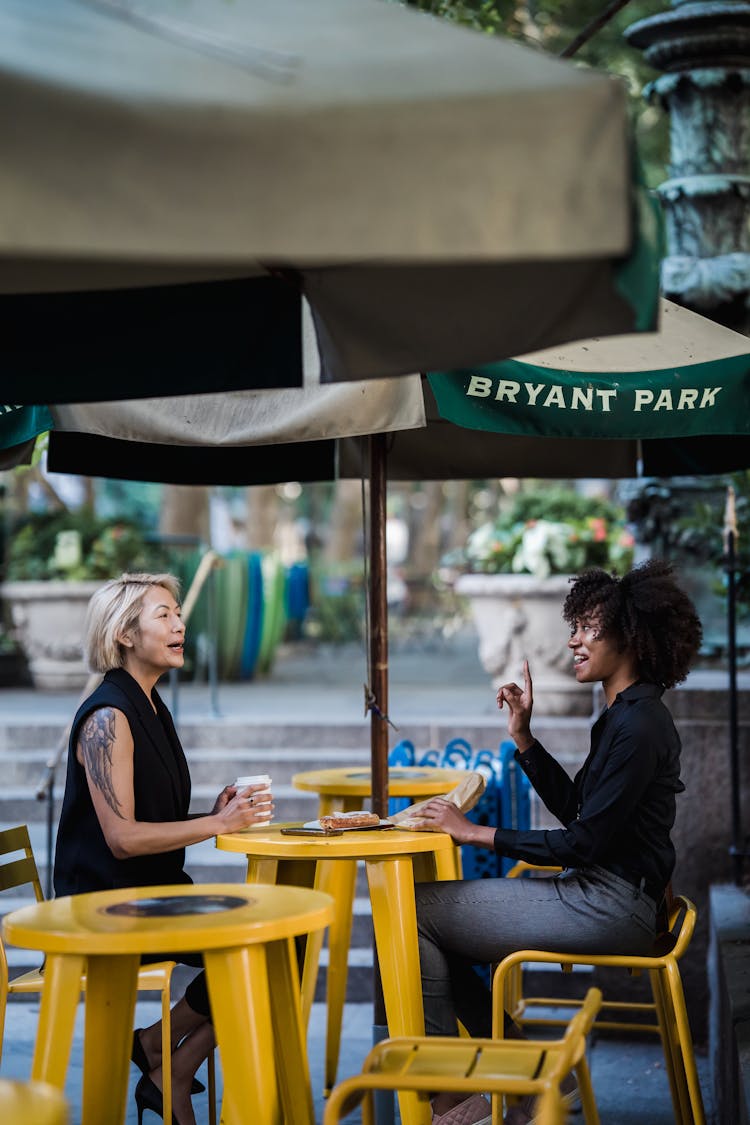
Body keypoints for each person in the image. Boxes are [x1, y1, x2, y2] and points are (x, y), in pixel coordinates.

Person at [413, 560, 702, 1125]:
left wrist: (473, 832)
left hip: (610, 903)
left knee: (415, 912)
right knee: (433, 927)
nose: (573, 638)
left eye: (589, 626)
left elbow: (582, 842)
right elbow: (580, 812)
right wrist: (523, 738)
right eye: (575, 625)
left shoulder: (640, 726)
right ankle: (529, 1076)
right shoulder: (623, 715)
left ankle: (450, 1100)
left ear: (631, 635)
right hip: (608, 893)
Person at [53, 573, 273, 1125]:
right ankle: (162, 1058)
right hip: (107, 905)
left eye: (179, 613)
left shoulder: (150, 705)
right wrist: (216, 824)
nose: (180, 624)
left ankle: (163, 1054)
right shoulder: (109, 717)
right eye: (164, 615)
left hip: (154, 893)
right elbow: (124, 838)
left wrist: (215, 814)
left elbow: (151, 821)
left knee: (277, 946)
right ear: (126, 633)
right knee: (265, 949)